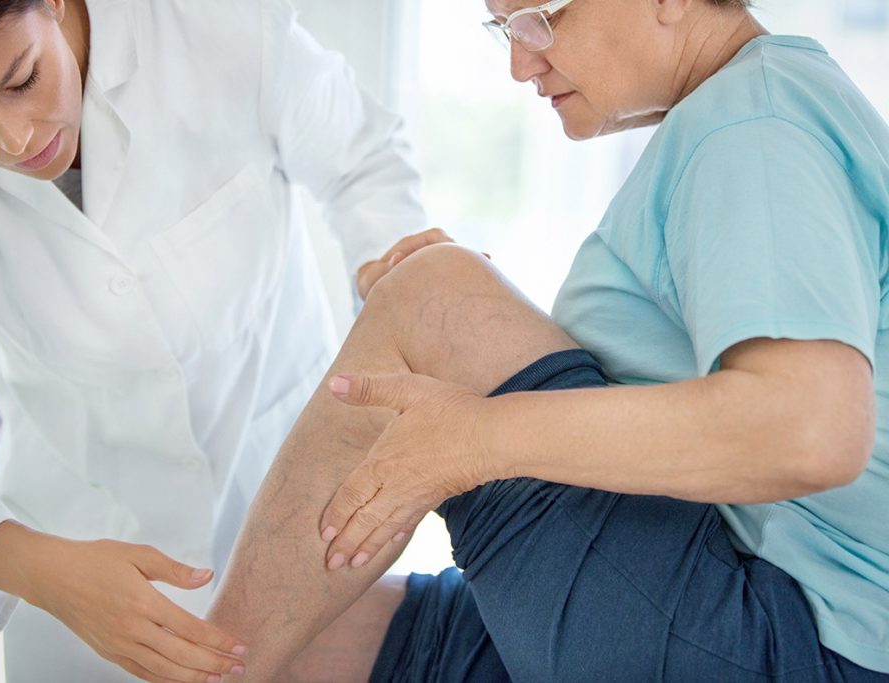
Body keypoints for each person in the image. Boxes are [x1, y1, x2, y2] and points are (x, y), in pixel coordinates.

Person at [201, 0, 889, 680]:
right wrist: (477, 338)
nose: (519, 62)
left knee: (433, 294)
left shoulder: (752, 126)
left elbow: (811, 430)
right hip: (744, 597)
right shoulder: (754, 111)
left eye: (540, 16)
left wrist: (473, 433)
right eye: (504, 27)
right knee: (302, 645)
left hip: (792, 635)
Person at [0, 0, 443, 680]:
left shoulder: (213, 26)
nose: (16, 138)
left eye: (21, 80)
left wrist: (393, 273)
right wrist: (47, 574)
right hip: (74, 547)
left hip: (292, 503)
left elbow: (362, 164)